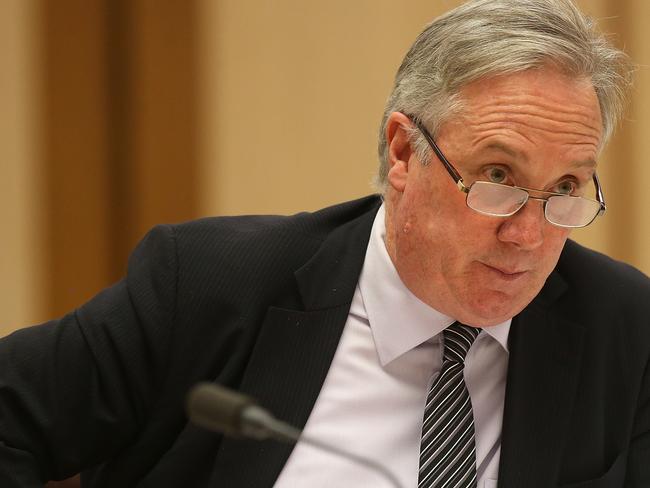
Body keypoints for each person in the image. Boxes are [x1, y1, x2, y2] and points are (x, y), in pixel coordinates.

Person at [1, 0, 647, 486]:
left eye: (565, 187)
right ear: (403, 152)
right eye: (498, 176)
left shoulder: (624, 328)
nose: (528, 235)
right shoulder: (208, 286)